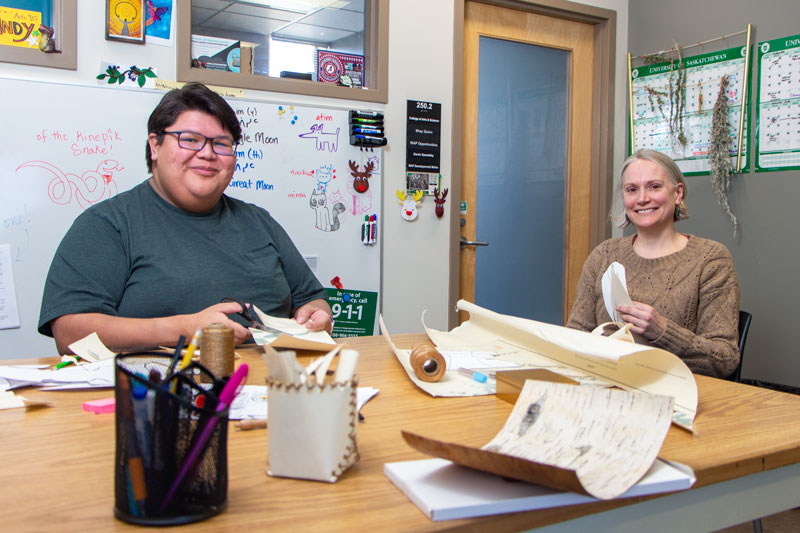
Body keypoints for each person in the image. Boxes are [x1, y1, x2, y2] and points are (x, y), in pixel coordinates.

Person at [38, 83, 332, 354]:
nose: (207, 154)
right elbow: (70, 333)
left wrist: (318, 314)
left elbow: (311, 298)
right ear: (155, 146)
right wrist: (182, 329)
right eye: (190, 140)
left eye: (221, 143)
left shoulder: (259, 222)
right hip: (162, 395)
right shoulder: (106, 225)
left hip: (276, 391)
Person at [566, 149, 740, 378]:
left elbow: (725, 359)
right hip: (605, 392)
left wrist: (662, 331)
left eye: (654, 186)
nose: (642, 198)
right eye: (632, 190)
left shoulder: (711, 260)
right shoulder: (604, 255)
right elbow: (573, 338)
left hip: (678, 398)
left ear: (677, 193)